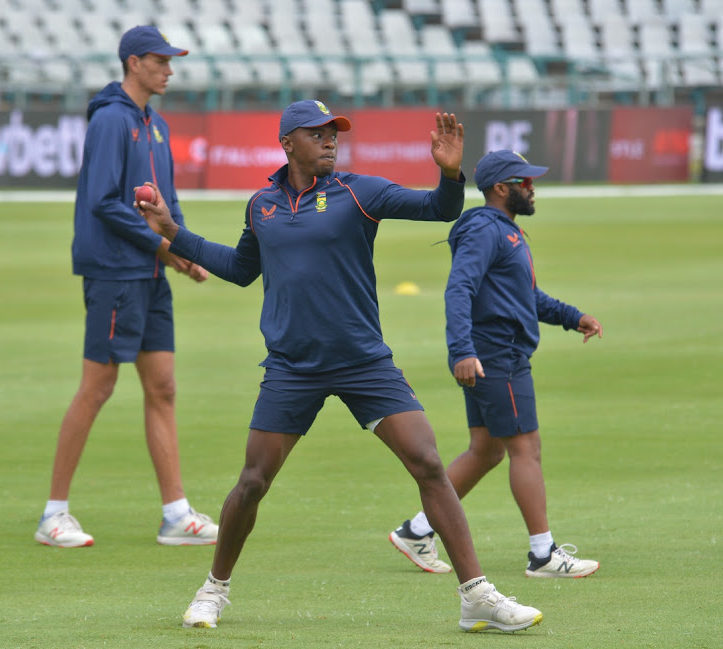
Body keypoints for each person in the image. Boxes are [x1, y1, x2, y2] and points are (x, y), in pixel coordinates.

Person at [137, 101, 543, 633]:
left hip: (362, 361)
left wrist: (449, 176)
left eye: (335, 133)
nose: (331, 140)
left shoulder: (360, 191)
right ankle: (213, 590)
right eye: (318, 134)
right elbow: (240, 270)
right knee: (253, 481)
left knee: (427, 462)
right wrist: (171, 230)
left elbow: (438, 210)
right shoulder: (261, 205)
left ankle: (476, 596)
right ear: (288, 143)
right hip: (292, 367)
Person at [34, 26, 218, 548]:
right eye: (161, 61)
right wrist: (163, 249)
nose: (169, 69)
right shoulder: (112, 120)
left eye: (171, 61)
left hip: (151, 272)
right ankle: (53, 516)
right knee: (98, 387)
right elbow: (104, 201)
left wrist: (184, 251)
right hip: (116, 272)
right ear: (133, 62)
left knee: (163, 387)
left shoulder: (155, 125)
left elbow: (167, 203)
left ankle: (176, 515)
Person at [389, 149, 602, 578]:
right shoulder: (487, 231)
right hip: (495, 356)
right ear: (501, 189)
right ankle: (543, 554)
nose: (532, 187)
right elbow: (459, 289)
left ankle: (417, 530)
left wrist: (571, 316)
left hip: (492, 354)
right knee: (526, 448)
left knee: (486, 450)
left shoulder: (505, 231)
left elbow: (526, 297)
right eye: (524, 181)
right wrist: (462, 351)